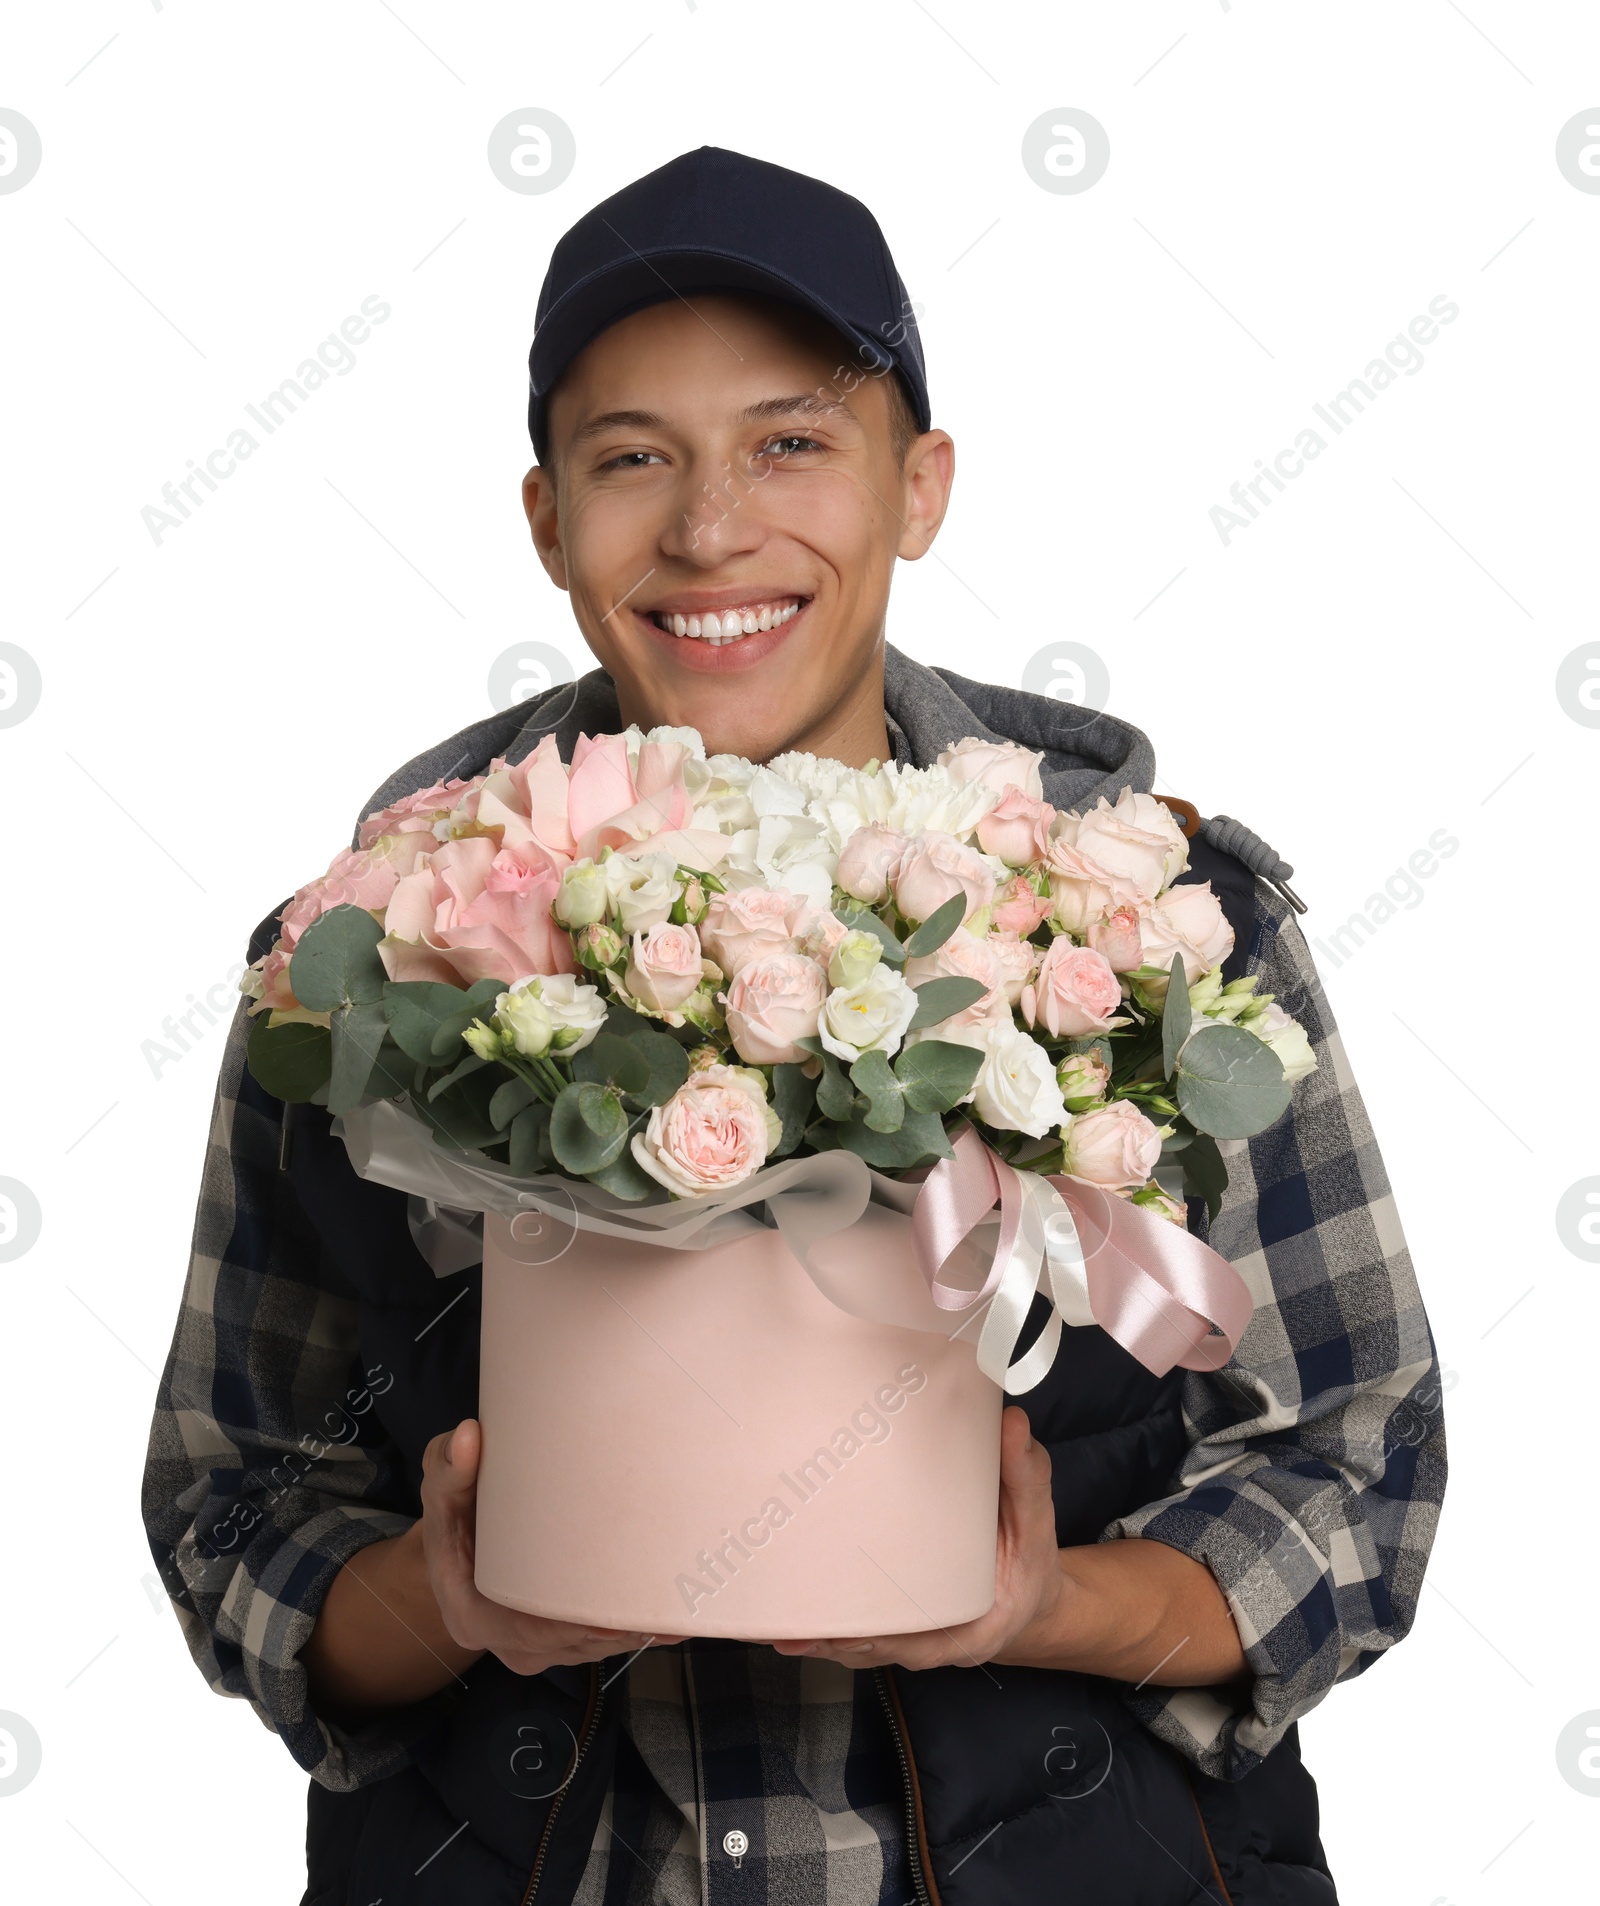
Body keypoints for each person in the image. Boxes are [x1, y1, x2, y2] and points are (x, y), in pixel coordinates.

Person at [143, 148, 1445, 1905]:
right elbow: (236, 1504)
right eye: (631, 460)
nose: (707, 529)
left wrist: (1051, 1603)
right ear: (545, 519)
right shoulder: (373, 952)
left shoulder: (1158, 928)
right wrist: (446, 1607)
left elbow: (1358, 1465)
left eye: (791, 442)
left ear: (921, 487)